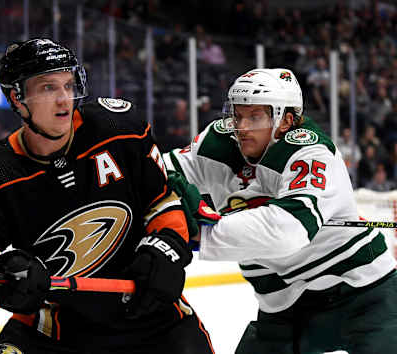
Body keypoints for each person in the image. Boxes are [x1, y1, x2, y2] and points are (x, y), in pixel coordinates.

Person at [0, 38, 214, 354]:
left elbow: (162, 201)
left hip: (151, 317)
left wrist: (163, 249)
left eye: (69, 84)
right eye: (48, 88)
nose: (64, 99)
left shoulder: (119, 129)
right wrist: (3, 274)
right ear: (17, 98)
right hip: (57, 331)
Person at [164, 68, 397, 353]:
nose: (243, 126)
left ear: (286, 120)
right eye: (238, 115)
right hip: (283, 308)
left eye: (256, 116)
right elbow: (155, 173)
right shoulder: (217, 142)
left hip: (362, 293)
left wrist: (200, 233)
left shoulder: (310, 152)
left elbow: (286, 230)